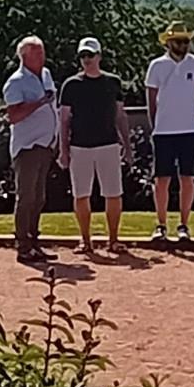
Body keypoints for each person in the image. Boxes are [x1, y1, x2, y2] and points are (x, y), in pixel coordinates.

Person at [58, 37, 131, 254]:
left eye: (90, 55)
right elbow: (64, 120)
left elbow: (120, 115)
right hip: (80, 146)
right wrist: (63, 150)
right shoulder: (71, 85)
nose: (86, 60)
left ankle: (113, 240)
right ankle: (85, 240)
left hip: (108, 145)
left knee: (113, 193)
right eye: (83, 56)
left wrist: (127, 145)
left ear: (99, 56)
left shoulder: (113, 83)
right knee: (81, 194)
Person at [145, 21, 194, 242]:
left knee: (187, 178)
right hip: (164, 130)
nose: (183, 45)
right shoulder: (157, 66)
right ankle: (161, 224)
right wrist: (154, 124)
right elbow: (151, 98)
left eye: (186, 41)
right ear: (169, 43)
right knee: (161, 179)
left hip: (190, 128)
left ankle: (184, 224)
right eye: (179, 41)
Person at [2, 36, 58, 264]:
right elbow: (13, 116)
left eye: (42, 51)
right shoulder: (16, 82)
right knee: (26, 197)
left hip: (45, 145)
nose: (41, 56)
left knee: (39, 197)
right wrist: (39, 102)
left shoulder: (46, 75)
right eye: (36, 53)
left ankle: (35, 242)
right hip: (27, 147)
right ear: (24, 57)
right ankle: (23, 246)